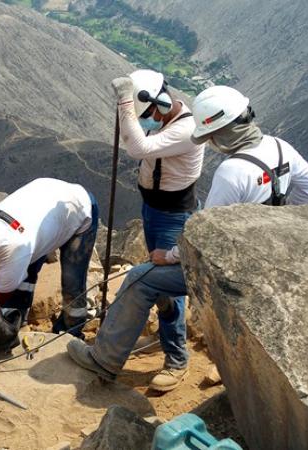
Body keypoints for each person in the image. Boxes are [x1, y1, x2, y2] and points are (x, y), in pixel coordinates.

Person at [67, 85, 308, 384]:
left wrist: (170, 256)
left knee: (139, 279)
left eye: (213, 135)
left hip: (229, 268)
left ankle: (105, 360)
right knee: (154, 283)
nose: (212, 142)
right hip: (263, 258)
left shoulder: (233, 171)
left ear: (225, 130)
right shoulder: (281, 147)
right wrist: (279, 220)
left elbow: (202, 238)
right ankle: (163, 340)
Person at [110, 70, 205, 391]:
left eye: (145, 115)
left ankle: (176, 360)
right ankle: (165, 332)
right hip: (155, 209)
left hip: (173, 215)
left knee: (166, 283)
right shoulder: (167, 119)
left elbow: (137, 148)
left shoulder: (187, 129)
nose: (144, 122)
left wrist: (125, 102)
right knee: (158, 278)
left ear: (160, 104)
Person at [0, 178, 98, 336]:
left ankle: (69, 332)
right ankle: (18, 318)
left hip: (79, 207)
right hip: (43, 200)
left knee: (73, 282)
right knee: (24, 273)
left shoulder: (15, 250)